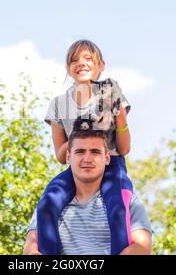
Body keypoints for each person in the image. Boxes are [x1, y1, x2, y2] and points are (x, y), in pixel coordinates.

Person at [37, 39, 135, 255]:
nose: (80, 63)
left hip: (111, 163)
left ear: (101, 64)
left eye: (88, 58)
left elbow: (125, 148)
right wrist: (80, 134)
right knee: (46, 204)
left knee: (117, 206)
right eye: (74, 60)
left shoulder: (110, 90)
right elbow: (61, 156)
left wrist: (118, 116)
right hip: (78, 166)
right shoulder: (58, 104)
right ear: (68, 68)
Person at [24, 129, 152, 255]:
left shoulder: (128, 200)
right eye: (80, 152)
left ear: (107, 158)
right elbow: (31, 250)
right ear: (68, 157)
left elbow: (142, 248)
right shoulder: (49, 202)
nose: (87, 158)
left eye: (95, 152)